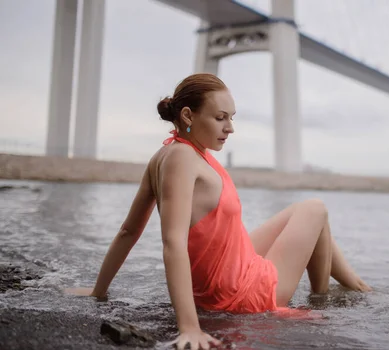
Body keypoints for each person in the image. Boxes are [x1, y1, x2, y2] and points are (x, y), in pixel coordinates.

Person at [65, 73, 371, 350]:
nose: (230, 128)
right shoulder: (182, 159)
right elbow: (172, 243)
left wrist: (98, 290)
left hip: (228, 273)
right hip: (240, 295)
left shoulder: (169, 153)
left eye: (231, 117)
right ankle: (323, 299)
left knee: (306, 220)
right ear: (188, 115)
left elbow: (127, 231)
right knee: (315, 209)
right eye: (220, 118)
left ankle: (352, 285)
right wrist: (189, 327)